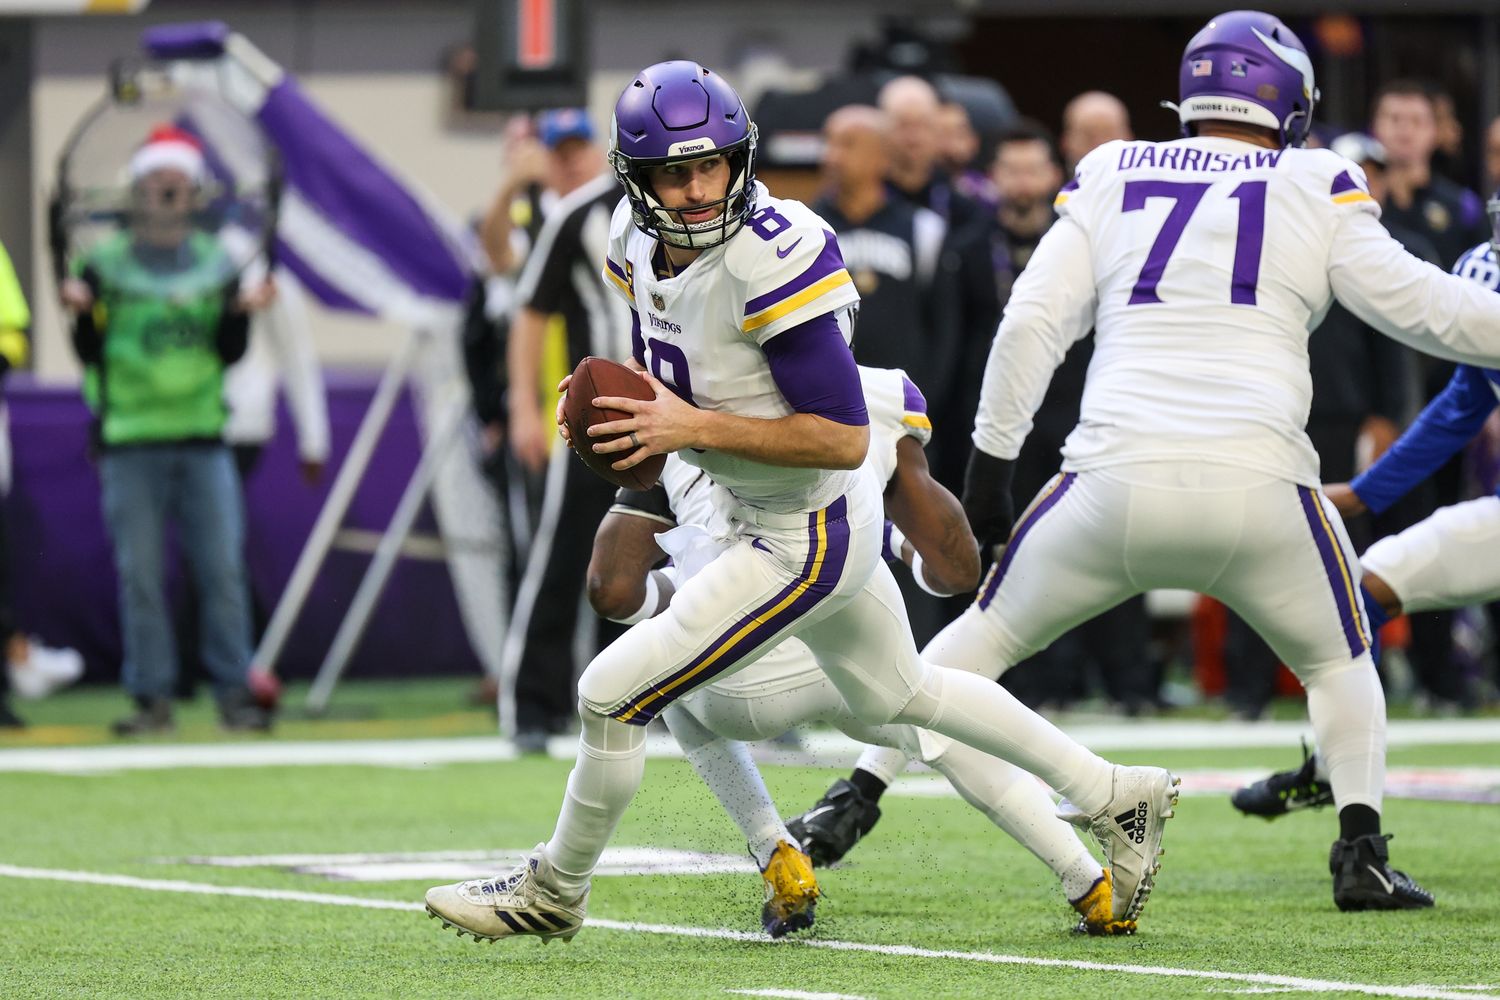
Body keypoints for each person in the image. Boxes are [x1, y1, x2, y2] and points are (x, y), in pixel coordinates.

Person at [424, 59, 1179, 944]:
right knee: (909, 697)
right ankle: (1114, 793)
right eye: (675, 172)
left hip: (801, 530)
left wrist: (685, 426)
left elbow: (842, 437)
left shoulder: (772, 254)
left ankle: (556, 890)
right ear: (637, 178)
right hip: (750, 505)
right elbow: (666, 366)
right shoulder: (632, 239)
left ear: (739, 158)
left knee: (607, 693)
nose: (699, 190)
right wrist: (622, 412)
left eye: (712, 165)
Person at [949, 11, 1500, 911]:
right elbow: (1431, 312)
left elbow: (1030, 324)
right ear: (1290, 100)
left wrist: (989, 475)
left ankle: (856, 796)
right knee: (1341, 662)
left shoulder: (1114, 168)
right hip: (1262, 487)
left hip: (1110, 481)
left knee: (962, 656)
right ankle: (1360, 852)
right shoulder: (1316, 178)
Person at [588, 365, 1132, 937]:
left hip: (737, 678)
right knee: (938, 724)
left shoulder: (684, 406)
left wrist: (693, 591)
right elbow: (955, 570)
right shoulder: (878, 394)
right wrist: (886, 536)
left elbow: (612, 589)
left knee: (665, 665)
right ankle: (1088, 878)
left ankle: (776, 854)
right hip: (847, 637)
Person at [1233, 209, 1500, 815]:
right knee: (1362, 591)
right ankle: (1336, 770)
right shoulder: (1483, 273)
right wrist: (1364, 492)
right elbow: (1464, 403)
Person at [61, 125, 273, 735]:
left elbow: (228, 351)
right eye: (157, 183)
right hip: (130, 437)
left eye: (178, 183)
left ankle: (234, 691)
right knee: (142, 577)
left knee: (222, 571)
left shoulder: (216, 263)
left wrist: (240, 315)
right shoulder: (103, 264)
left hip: (203, 434)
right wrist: (81, 316)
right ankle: (151, 697)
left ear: (195, 192)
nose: (167, 194)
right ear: (137, 190)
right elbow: (89, 351)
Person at [498, 109, 633, 750]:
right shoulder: (575, 216)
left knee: (670, 559)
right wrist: (522, 408)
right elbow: (530, 311)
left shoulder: (685, 212)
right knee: (562, 557)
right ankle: (532, 705)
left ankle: (646, 699)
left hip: (678, 418)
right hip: (597, 417)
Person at [878, 76, 1002, 495]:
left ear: (939, 132)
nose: (912, 137)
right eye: (902, 124)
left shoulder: (971, 214)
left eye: (922, 125)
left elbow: (981, 314)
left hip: (951, 394)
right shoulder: (860, 208)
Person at [1059, 91, 1133, 177]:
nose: (1099, 145)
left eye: (1108, 135)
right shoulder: (1051, 183)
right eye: (1088, 136)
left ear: (1129, 137)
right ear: (1065, 142)